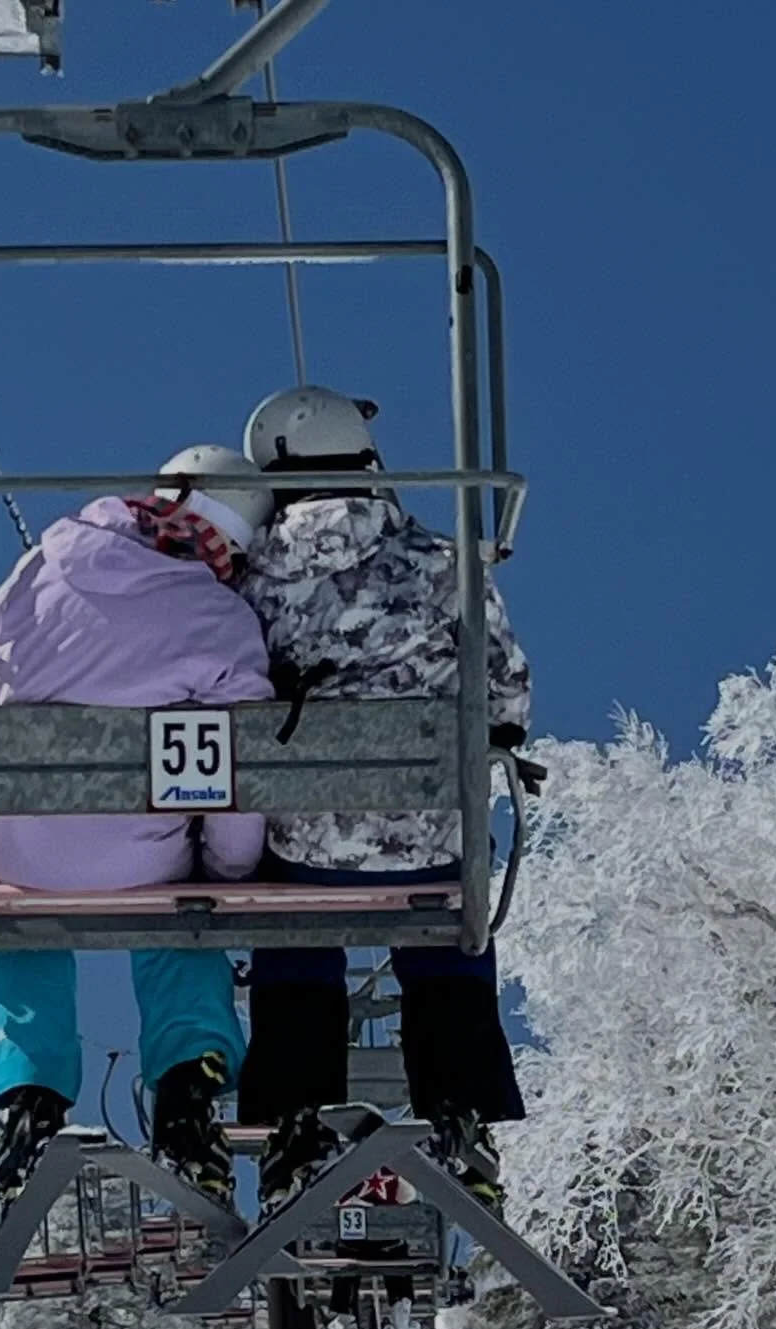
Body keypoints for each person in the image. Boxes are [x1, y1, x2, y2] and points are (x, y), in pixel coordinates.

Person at [234, 385, 531, 1244]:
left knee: (294, 935)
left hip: (304, 849)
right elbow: (507, 695)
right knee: (445, 924)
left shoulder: (251, 578)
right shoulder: (448, 563)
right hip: (428, 840)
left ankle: (295, 1123)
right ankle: (461, 1109)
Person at [0, 445, 275, 1209]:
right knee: (182, 912)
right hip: (137, 864)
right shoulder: (220, 619)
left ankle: (29, 1093)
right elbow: (236, 769)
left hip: (15, 846)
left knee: (20, 914)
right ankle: (187, 1085)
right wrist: (230, 873)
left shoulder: (37, 567)